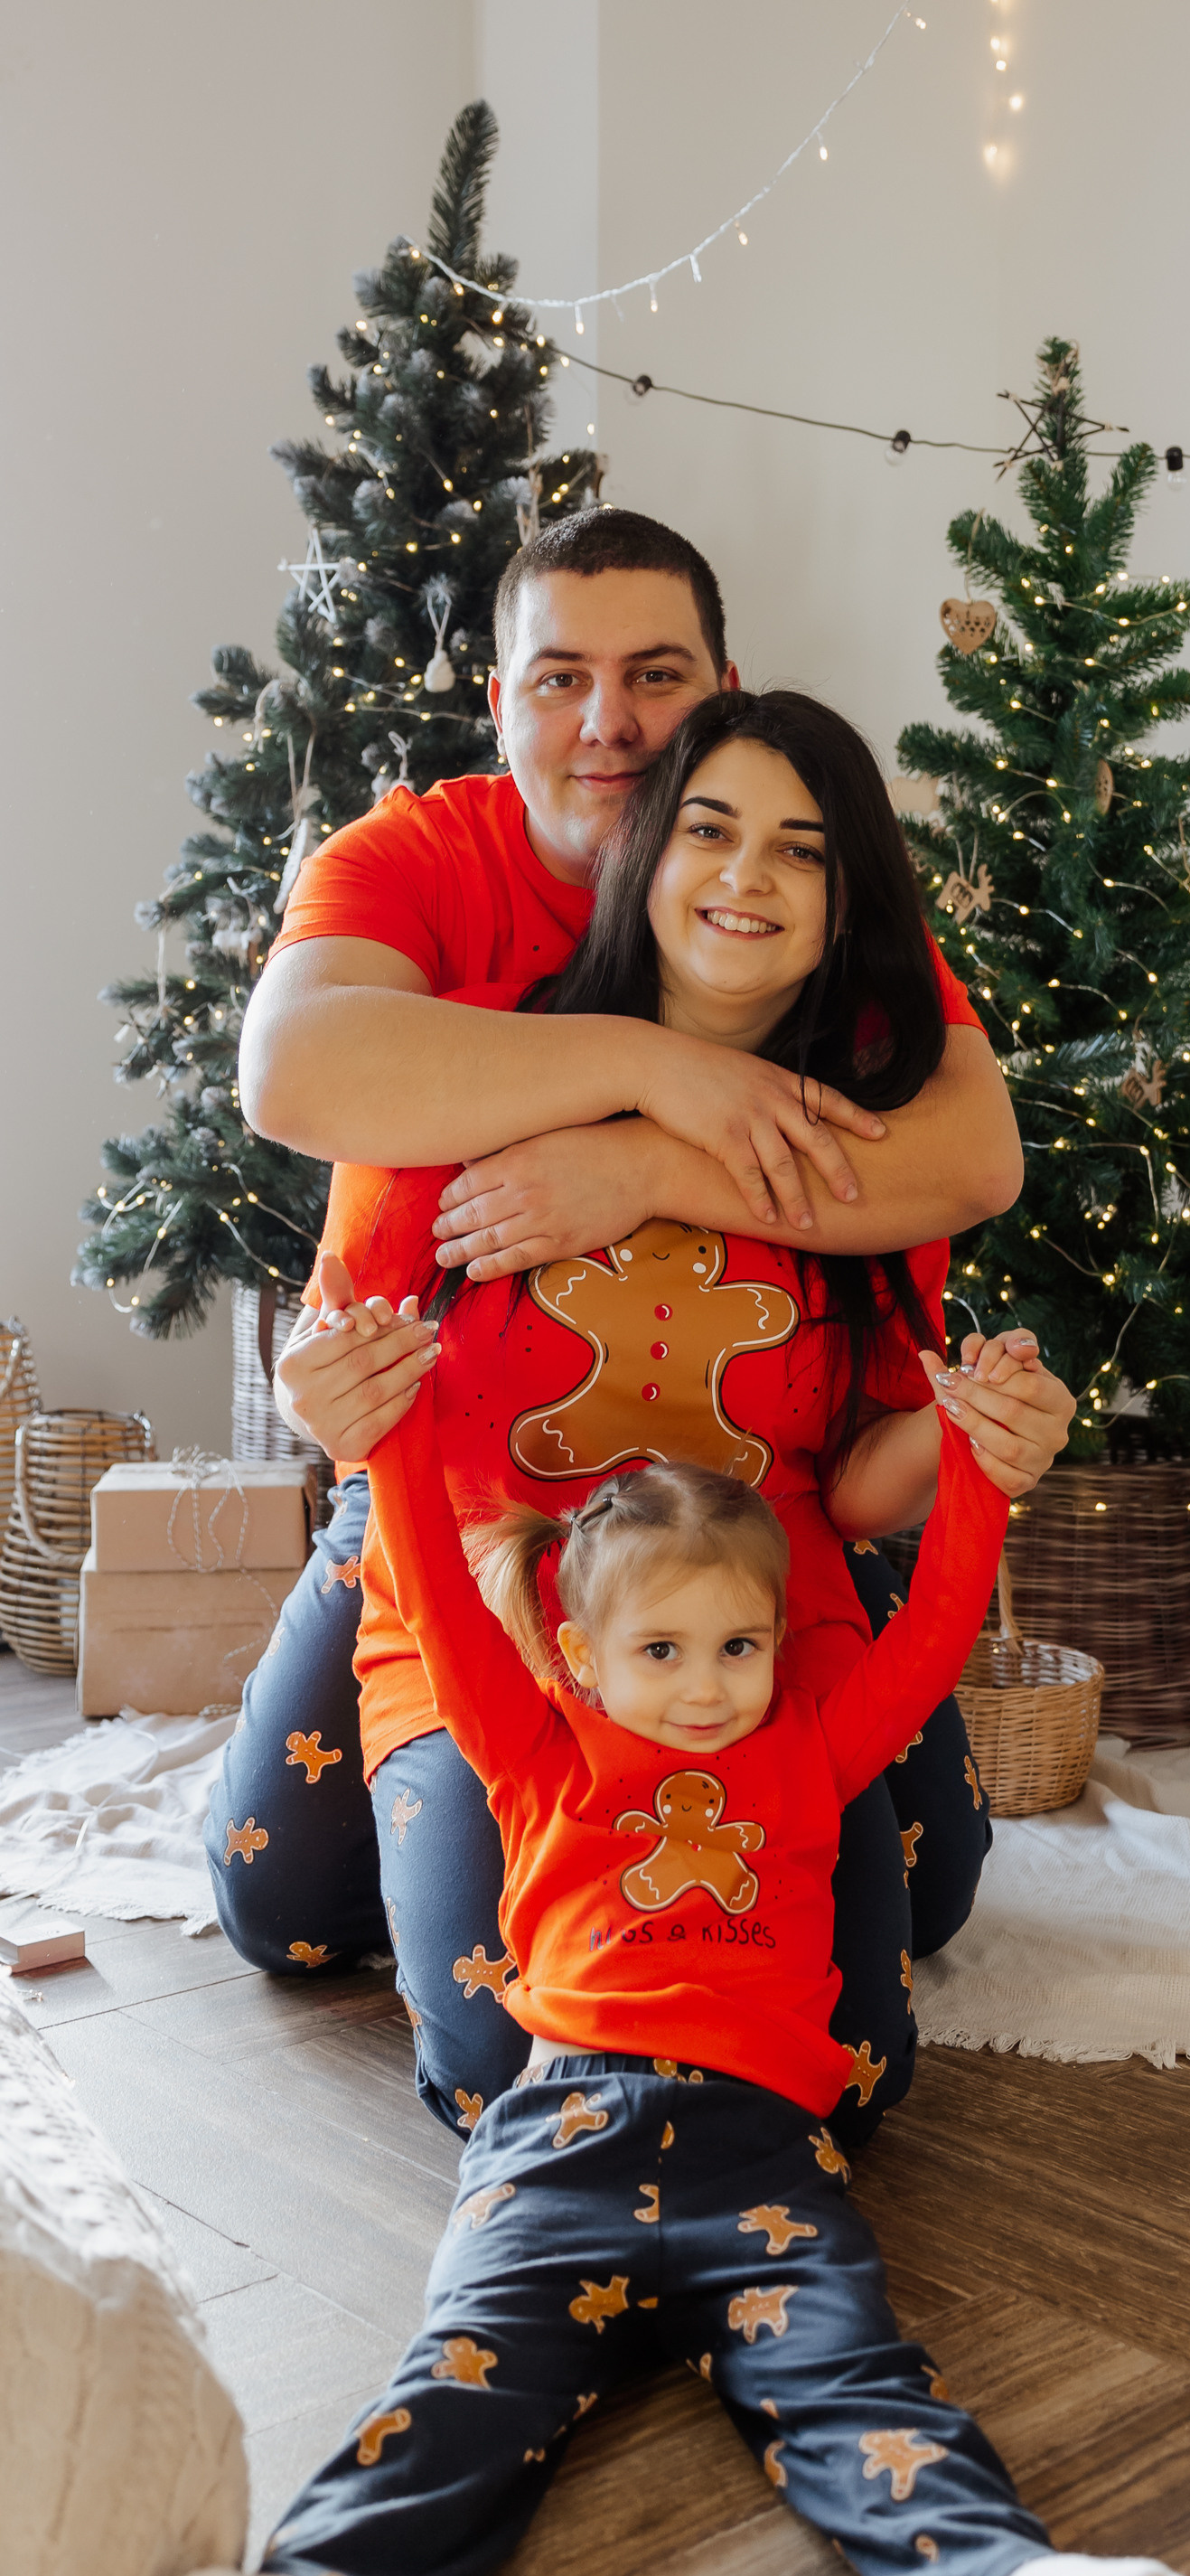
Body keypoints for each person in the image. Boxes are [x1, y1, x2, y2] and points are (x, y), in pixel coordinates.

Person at [136, 1279, 1190, 2576]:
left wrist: (978, 1464)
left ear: (776, 1645)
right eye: (661, 1651)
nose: (707, 1690)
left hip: (758, 2158)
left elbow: (939, 1616)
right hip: (556, 2135)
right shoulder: (531, 1749)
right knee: (461, 2382)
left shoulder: (816, 1747)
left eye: (737, 1648)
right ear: (581, 1655)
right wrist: (383, 1448)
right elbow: (444, 1606)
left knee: (852, 2382)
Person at [210, 672, 1064, 2137]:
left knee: (848, 2069)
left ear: (852, 901)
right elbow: (354, 1354)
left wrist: (976, 1434)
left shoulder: (861, 1139)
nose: (747, 878)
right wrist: (325, 1391)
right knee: (504, 2065)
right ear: (644, 851)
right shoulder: (465, 1080)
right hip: (503, 1627)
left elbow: (861, 1486)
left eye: (801, 849)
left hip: (753, 1636)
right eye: (710, 831)